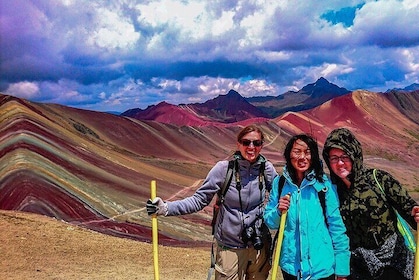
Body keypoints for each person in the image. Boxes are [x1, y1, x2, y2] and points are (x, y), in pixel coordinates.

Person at [146, 125, 278, 280]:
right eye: (246, 142)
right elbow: (199, 200)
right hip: (230, 246)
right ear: (238, 144)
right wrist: (166, 208)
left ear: (261, 145)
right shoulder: (223, 169)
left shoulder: (267, 169)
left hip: (258, 245)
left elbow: (280, 195)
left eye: (256, 143)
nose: (251, 147)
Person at [322, 127, 419, 280]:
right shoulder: (331, 192)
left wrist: (415, 213)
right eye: (333, 158)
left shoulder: (378, 179)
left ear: (355, 155)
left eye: (345, 156)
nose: (339, 163)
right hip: (358, 268)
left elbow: (409, 209)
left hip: (393, 264)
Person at [264, 134, 350, 280]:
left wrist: (342, 269)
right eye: (297, 152)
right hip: (291, 269)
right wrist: (278, 211)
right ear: (289, 155)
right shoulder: (280, 184)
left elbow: (337, 228)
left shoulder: (324, 185)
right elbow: (270, 222)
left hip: (321, 269)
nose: (302, 157)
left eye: (308, 152)